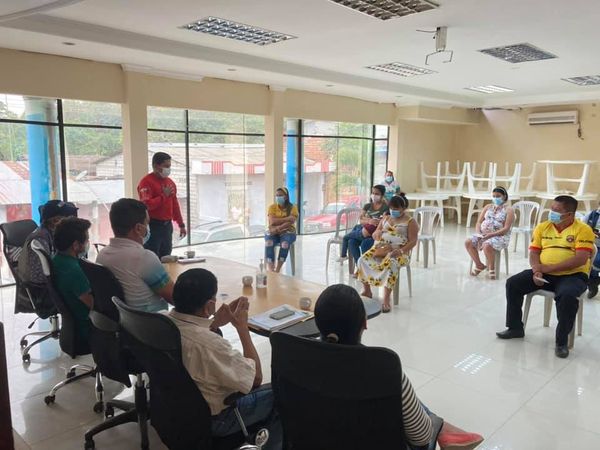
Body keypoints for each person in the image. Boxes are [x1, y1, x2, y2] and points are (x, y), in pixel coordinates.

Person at [314, 284, 484, 450]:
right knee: (400, 395)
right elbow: (422, 436)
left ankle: (444, 429)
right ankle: (443, 428)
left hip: (316, 442)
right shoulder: (384, 369)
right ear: (365, 323)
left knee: (401, 395)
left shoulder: (302, 357)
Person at [167, 268, 280, 449]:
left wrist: (213, 323)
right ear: (209, 305)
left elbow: (192, 333)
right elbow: (255, 378)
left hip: (176, 411)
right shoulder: (210, 345)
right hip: (217, 419)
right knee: (282, 392)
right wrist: (242, 328)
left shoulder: (161, 322)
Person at [496, 195, 595, 359]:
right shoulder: (543, 227)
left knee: (568, 296)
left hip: (573, 276)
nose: (551, 213)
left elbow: (580, 259)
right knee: (513, 283)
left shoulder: (583, 229)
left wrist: (547, 268)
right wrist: (537, 271)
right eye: (551, 208)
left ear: (569, 214)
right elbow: (534, 252)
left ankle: (561, 342)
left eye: (556, 210)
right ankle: (515, 328)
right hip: (544, 273)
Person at [97, 198, 174, 312]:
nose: (148, 228)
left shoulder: (102, 255)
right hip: (154, 320)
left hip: (126, 320)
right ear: (138, 228)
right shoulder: (144, 258)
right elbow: (175, 298)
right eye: (147, 223)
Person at [16, 200, 78, 316]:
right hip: (42, 293)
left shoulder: (50, 234)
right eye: (67, 218)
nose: (71, 222)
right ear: (55, 221)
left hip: (47, 288)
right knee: (85, 289)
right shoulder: (40, 239)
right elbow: (39, 277)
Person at [357, 194, 417, 312]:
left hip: (399, 252)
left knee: (392, 264)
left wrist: (400, 251)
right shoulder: (386, 218)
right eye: (391, 208)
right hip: (380, 249)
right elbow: (376, 232)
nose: (393, 211)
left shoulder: (410, 221)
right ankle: (367, 290)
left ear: (403, 208)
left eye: (396, 208)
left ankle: (386, 298)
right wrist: (376, 234)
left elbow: (413, 241)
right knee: (362, 260)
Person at [52, 217, 93, 342]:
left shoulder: (56, 260)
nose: (88, 243)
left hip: (71, 328)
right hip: (86, 329)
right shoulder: (74, 270)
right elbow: (94, 304)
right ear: (75, 245)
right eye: (86, 240)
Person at [138, 152, 186, 258]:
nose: (168, 169)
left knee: (167, 256)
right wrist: (164, 196)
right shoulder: (146, 182)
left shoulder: (170, 182)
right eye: (166, 166)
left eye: (169, 166)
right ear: (156, 166)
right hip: (153, 225)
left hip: (167, 226)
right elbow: (147, 205)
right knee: (152, 256)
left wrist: (181, 224)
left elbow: (175, 204)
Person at [464, 186, 515, 280]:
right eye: (494, 196)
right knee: (468, 242)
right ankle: (479, 265)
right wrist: (479, 233)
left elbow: (506, 228)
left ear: (504, 196)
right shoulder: (488, 207)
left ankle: (492, 268)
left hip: (500, 236)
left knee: (487, 245)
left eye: (498, 196)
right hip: (483, 234)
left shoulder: (509, 210)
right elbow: (478, 222)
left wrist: (491, 235)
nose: (495, 198)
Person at [338, 185, 389, 271]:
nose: (374, 195)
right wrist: (370, 221)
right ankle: (360, 268)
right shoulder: (367, 206)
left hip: (375, 234)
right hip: (364, 229)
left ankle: (365, 268)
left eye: (377, 194)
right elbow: (360, 219)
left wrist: (368, 220)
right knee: (351, 241)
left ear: (382, 195)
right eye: (373, 193)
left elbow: (383, 222)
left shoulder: (386, 207)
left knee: (362, 242)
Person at [265, 187, 299, 272]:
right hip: (273, 231)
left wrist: (278, 228)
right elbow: (272, 221)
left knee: (285, 244)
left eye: (280, 195)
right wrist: (287, 218)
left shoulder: (292, 207)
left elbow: (290, 222)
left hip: (288, 231)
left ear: (286, 197)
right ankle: (271, 268)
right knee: (269, 242)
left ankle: (277, 269)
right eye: (277, 195)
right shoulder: (272, 207)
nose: (278, 197)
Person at [582, 203, 600, 298]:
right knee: (586, 260)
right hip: (591, 244)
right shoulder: (592, 214)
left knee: (596, 261)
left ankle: (593, 281)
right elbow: (581, 227)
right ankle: (593, 282)